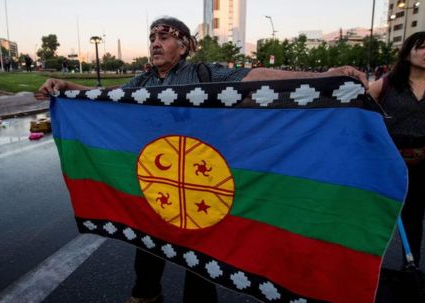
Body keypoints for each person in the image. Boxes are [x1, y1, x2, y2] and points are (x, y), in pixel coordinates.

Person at [37, 17, 368, 303]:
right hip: (155, 180)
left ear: (183, 46)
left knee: (201, 254)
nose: (155, 43)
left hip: (202, 184)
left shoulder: (205, 72)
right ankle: (146, 294)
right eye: (152, 37)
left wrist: (325, 77)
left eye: (163, 37)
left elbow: (259, 75)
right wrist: (66, 87)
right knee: (148, 242)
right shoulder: (144, 81)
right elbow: (105, 100)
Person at [369, 31, 425, 267]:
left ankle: (411, 266)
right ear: (408, 52)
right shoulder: (384, 84)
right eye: (423, 46)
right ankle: (368, 266)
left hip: (422, 159)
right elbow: (359, 114)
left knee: (414, 215)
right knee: (377, 214)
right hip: (386, 161)